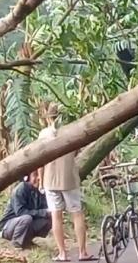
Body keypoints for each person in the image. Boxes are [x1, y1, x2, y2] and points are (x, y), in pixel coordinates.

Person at [38, 102, 95, 262]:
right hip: (69, 178)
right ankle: (82, 252)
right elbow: (76, 152)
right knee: (76, 213)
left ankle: (62, 254)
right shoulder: (71, 132)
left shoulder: (43, 135)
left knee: (56, 216)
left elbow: (39, 160)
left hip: (50, 179)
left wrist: (41, 181)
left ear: (48, 118)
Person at [0, 171, 51, 249]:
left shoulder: (40, 190)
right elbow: (20, 212)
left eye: (40, 175)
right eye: (35, 175)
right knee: (26, 218)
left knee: (49, 218)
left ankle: (26, 240)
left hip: (26, 222)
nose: (38, 178)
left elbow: (44, 209)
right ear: (27, 178)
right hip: (8, 226)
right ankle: (16, 243)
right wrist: (44, 212)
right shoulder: (21, 189)